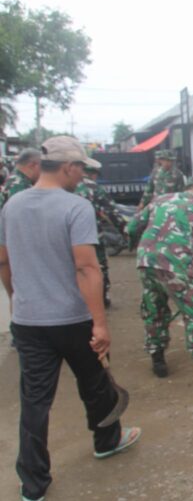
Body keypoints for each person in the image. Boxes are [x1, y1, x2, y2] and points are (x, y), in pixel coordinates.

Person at [0, 136, 141, 501]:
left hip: (29, 322)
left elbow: (3, 260)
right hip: (72, 319)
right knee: (94, 383)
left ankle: (32, 484)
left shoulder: (12, 204)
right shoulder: (75, 206)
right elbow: (86, 267)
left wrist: (18, 299)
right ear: (67, 167)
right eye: (81, 168)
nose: (82, 176)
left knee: (34, 400)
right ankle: (107, 440)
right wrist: (99, 323)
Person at [127, 178, 193, 387]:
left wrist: (137, 248)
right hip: (176, 265)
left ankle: (157, 360)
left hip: (146, 262)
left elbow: (131, 227)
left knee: (154, 307)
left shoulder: (160, 200)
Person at [75, 162, 128, 308]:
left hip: (69, 237)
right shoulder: (94, 188)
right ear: (93, 174)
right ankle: (102, 299)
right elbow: (111, 211)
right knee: (98, 267)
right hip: (92, 236)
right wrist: (125, 230)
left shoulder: (65, 185)